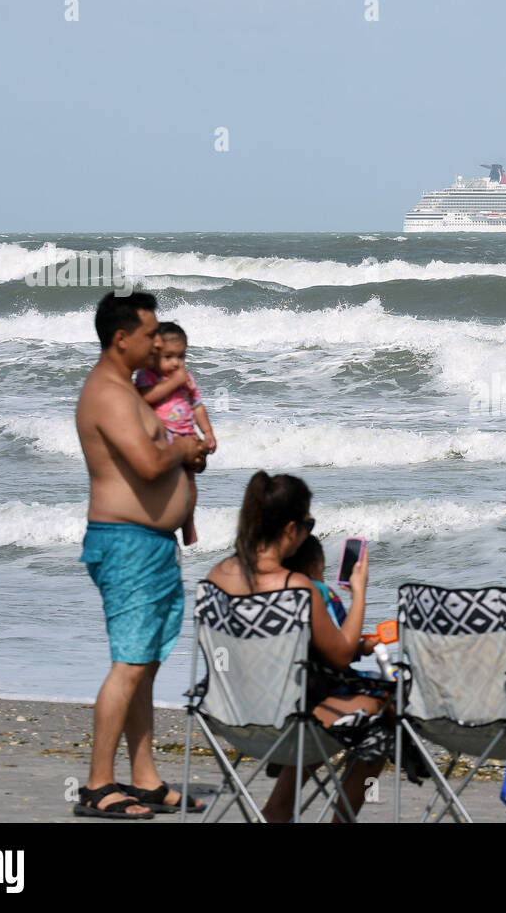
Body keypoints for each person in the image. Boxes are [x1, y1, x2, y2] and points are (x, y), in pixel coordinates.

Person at [73, 291, 210, 819]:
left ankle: (144, 778)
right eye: (151, 334)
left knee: (146, 666)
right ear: (121, 338)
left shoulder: (130, 392)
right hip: (126, 544)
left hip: (150, 544)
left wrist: (186, 456)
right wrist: (181, 450)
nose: (159, 342)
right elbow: (149, 464)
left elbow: (157, 460)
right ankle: (97, 785)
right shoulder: (107, 393)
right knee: (128, 665)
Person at [199, 472, 386, 823]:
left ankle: (279, 809)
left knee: (313, 696)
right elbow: (343, 653)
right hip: (289, 725)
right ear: (289, 529)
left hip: (231, 717)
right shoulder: (298, 586)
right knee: (381, 712)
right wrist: (359, 593)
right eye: (307, 523)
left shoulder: (216, 576)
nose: (307, 532)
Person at [134, 322, 216, 546]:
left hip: (187, 436)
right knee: (164, 483)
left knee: (189, 482)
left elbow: (197, 405)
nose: (176, 363)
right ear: (153, 354)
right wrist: (175, 382)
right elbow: (145, 398)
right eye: (169, 357)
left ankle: (188, 523)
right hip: (162, 438)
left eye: (181, 356)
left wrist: (207, 432)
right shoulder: (147, 375)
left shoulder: (186, 377)